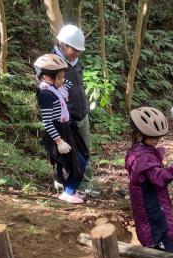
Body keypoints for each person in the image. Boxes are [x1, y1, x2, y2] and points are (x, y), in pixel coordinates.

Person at [125, 107, 173, 253]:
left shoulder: (139, 150)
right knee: (160, 224)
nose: (157, 141)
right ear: (140, 134)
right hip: (149, 199)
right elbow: (159, 177)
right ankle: (167, 252)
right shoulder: (144, 157)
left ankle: (158, 248)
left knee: (156, 224)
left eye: (158, 137)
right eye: (153, 137)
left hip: (148, 196)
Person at [34, 53, 89, 204]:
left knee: (81, 157)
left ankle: (70, 190)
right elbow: (47, 122)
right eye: (59, 77)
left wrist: (68, 76)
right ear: (46, 78)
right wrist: (59, 141)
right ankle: (68, 192)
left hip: (67, 128)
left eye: (62, 77)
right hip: (59, 132)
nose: (62, 80)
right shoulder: (46, 95)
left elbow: (68, 85)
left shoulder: (55, 88)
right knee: (76, 162)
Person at [52, 24, 98, 197]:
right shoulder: (52, 63)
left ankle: (85, 185)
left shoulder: (75, 62)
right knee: (65, 154)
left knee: (85, 151)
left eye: (80, 50)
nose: (78, 53)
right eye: (74, 49)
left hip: (82, 114)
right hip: (64, 118)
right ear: (62, 44)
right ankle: (63, 186)